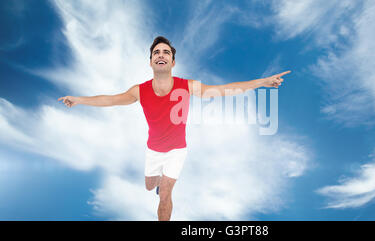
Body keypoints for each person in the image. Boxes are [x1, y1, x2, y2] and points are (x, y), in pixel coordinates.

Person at [58, 36, 290, 221]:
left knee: (166, 193)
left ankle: (164, 191)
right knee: (150, 186)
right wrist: (78, 99)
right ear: (150, 62)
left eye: (166, 52)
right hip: (153, 151)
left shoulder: (186, 86)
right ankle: (157, 183)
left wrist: (263, 82)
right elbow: (109, 100)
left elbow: (224, 90)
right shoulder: (139, 90)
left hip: (177, 150)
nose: (161, 55)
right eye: (156, 52)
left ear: (172, 62)